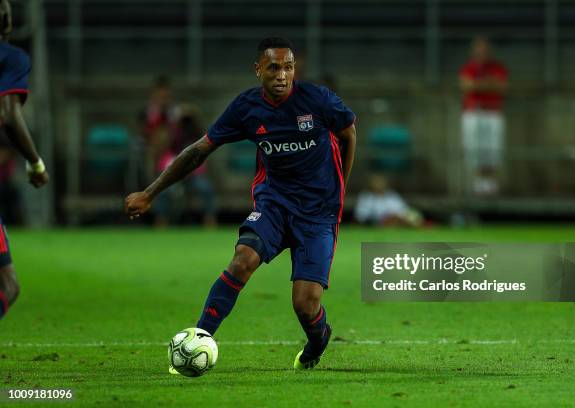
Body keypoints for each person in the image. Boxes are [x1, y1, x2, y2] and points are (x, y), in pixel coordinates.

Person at [125, 37, 356, 370]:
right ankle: (199, 338)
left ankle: (319, 338)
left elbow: (349, 133)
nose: (282, 75)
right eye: (274, 67)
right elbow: (198, 151)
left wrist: (340, 190)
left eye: (288, 67)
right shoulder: (246, 108)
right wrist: (150, 192)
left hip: (318, 213)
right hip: (274, 203)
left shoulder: (318, 100)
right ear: (258, 69)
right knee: (242, 259)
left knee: (305, 305)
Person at [0, 0, 49, 320]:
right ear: (5, 19)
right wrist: (35, 162)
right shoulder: (10, 56)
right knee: (8, 286)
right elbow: (8, 115)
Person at [459, 36, 508, 196]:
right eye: (479, 49)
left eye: (485, 49)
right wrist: (488, 84)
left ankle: (490, 185)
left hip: (492, 113)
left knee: (492, 150)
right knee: (474, 149)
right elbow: (466, 86)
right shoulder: (468, 68)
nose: (482, 52)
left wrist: (478, 85)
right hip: (474, 112)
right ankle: (476, 185)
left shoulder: (498, 67)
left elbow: (501, 86)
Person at [354, 175, 423, 227]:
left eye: (380, 183)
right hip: (375, 223)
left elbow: (404, 211)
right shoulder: (366, 197)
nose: (379, 186)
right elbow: (360, 216)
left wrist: (395, 217)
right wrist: (383, 219)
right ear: (371, 185)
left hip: (397, 221)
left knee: (412, 217)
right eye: (376, 183)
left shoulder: (392, 196)